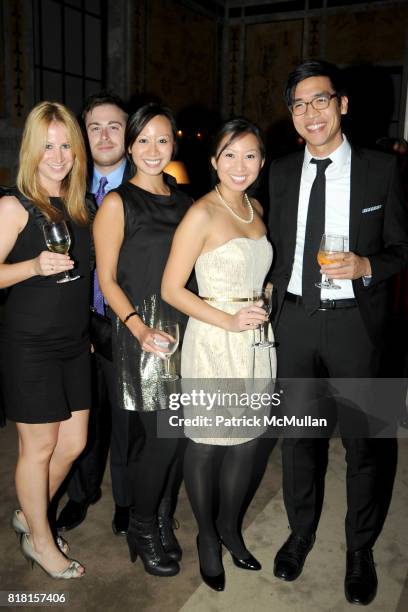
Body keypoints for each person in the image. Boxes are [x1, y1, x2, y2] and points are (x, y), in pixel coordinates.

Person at [268, 59, 408, 606]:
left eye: (320, 100)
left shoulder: (381, 170)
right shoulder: (279, 171)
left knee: (364, 444)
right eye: (299, 104)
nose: (310, 113)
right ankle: (301, 532)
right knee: (300, 438)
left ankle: (360, 548)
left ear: (342, 104)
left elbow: (402, 247)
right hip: (296, 320)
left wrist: (366, 266)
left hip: (358, 325)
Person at [162, 118, 276, 591]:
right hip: (213, 340)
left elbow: (256, 271)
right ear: (213, 161)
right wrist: (228, 319)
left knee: (248, 442)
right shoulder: (201, 214)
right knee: (208, 443)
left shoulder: (256, 208)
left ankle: (230, 526)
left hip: (256, 343)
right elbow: (171, 289)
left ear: (261, 162)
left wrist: (263, 295)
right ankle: (207, 536)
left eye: (249, 155)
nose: (240, 165)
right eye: (230, 154)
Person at [93, 103, 191, 577]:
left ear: (174, 143)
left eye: (163, 139)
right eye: (144, 140)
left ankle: (160, 516)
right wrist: (137, 328)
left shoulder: (184, 199)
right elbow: (107, 279)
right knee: (159, 439)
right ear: (130, 145)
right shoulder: (118, 202)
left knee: (177, 436)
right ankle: (143, 524)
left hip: (186, 325)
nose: (154, 150)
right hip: (144, 328)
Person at [0, 102, 92, 578]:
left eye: (65, 146)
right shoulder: (12, 206)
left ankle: (29, 513)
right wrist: (33, 266)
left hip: (74, 343)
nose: (57, 156)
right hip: (29, 345)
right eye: (47, 146)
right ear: (31, 151)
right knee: (37, 448)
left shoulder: (80, 207)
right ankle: (40, 538)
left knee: (73, 443)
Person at [56, 91, 133, 536]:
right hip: (75, 322)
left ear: (128, 134)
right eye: (94, 127)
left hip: (124, 322)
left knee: (125, 419)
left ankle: (126, 499)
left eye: (115, 126)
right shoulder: (66, 186)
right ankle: (83, 493)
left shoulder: (146, 184)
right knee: (79, 416)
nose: (104, 135)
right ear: (83, 135)